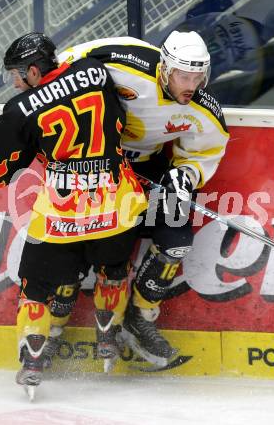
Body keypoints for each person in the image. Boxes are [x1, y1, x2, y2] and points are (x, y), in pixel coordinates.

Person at [0, 32, 147, 394]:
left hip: (63, 211)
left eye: (18, 74)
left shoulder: (21, 109)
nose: (16, 82)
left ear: (34, 71)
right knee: (113, 268)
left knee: (35, 287)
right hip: (118, 202)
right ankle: (108, 333)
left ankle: (34, 356)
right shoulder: (96, 71)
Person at [53, 30, 230, 367]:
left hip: (147, 168)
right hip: (92, 165)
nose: (191, 84)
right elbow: (63, 66)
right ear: (164, 68)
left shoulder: (203, 108)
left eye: (198, 76)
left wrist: (186, 175)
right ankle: (49, 329)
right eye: (183, 75)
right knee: (72, 245)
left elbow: (204, 152)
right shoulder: (126, 60)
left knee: (176, 241)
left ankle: (140, 317)